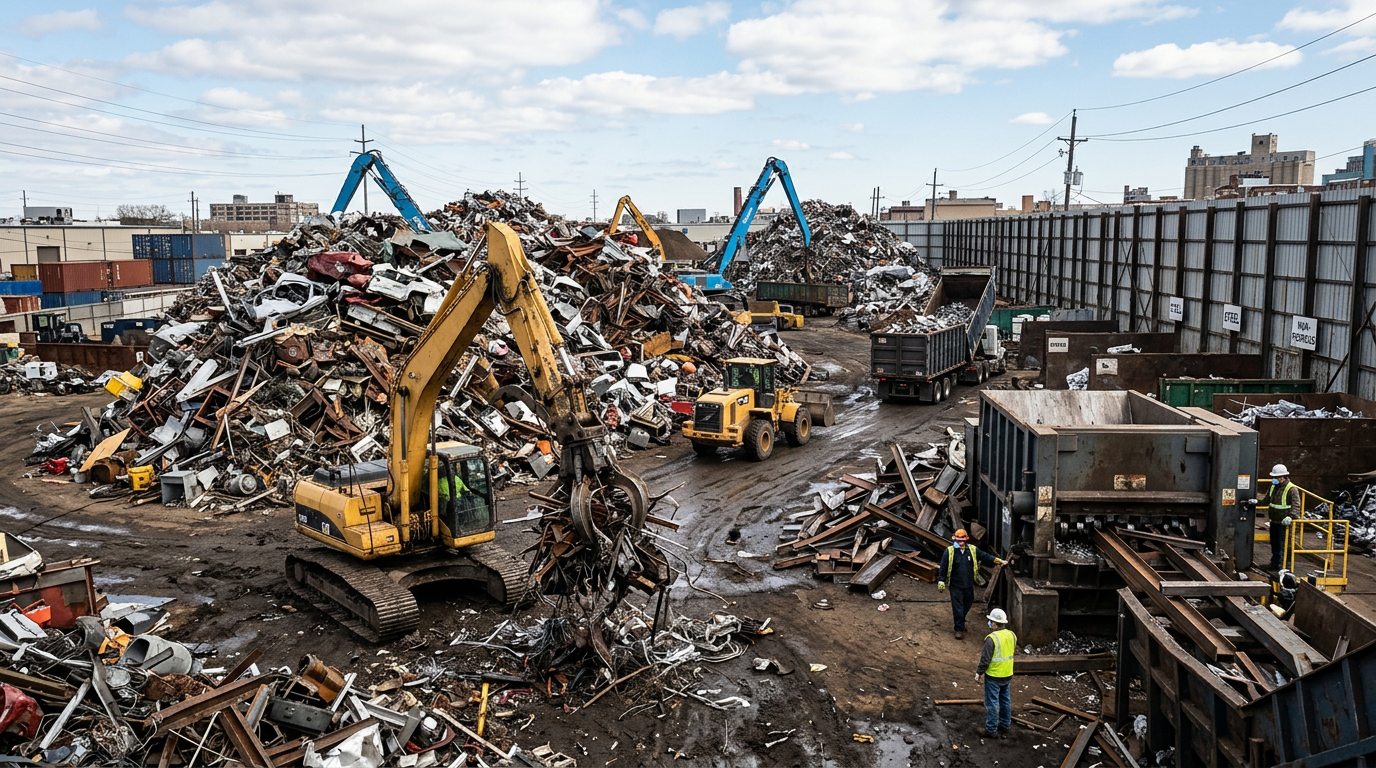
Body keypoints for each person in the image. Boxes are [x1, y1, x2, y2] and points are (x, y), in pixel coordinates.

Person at [938, 529, 1005, 639]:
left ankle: (961, 620)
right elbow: (944, 566)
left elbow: (985, 556)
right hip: (955, 585)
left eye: (962, 540)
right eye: (958, 540)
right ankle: (959, 629)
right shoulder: (949, 552)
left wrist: (997, 560)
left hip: (968, 584)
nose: (960, 543)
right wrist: (941, 580)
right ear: (954, 539)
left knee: (968, 603)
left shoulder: (972, 550)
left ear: (966, 540)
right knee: (958, 607)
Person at [977, 608, 1016, 738]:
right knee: (1005, 701)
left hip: (994, 675)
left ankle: (991, 729)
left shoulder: (991, 639)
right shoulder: (1012, 635)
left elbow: (985, 659)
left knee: (992, 703)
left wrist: (979, 672)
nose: (989, 623)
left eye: (990, 621)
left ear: (994, 623)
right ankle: (1005, 726)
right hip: (1007, 673)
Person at [1261, 464, 1296, 571]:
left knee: (1285, 544)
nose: (1274, 479)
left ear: (1282, 477)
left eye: (1276, 477)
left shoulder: (1291, 489)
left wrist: (1290, 517)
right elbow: (1266, 501)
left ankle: (1286, 566)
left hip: (1285, 523)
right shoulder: (1273, 487)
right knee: (1275, 543)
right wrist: (1254, 502)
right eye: (1274, 477)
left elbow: (1296, 506)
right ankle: (1275, 564)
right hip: (1274, 521)